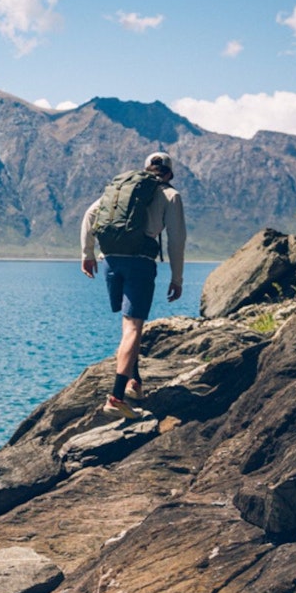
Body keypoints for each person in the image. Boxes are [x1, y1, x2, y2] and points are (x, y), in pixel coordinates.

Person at [80, 151, 187, 419]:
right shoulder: (170, 195)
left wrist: (87, 254)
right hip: (139, 262)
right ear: (170, 173)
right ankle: (116, 398)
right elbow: (176, 240)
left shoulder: (123, 187)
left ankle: (134, 382)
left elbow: (89, 215)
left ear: (146, 169)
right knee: (133, 327)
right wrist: (177, 277)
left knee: (127, 324)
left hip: (110, 260)